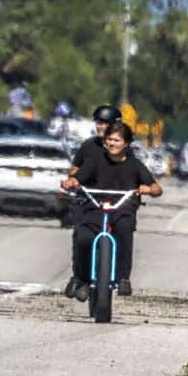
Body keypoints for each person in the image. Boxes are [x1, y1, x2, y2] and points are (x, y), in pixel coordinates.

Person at [61, 121, 160, 298]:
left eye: (117, 140)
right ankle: (82, 279)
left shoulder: (135, 165)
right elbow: (78, 178)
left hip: (123, 210)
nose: (112, 143)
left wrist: (150, 189)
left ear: (126, 144)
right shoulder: (95, 161)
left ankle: (123, 279)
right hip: (96, 209)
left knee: (124, 232)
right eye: (109, 140)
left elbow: (156, 188)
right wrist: (71, 182)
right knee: (83, 238)